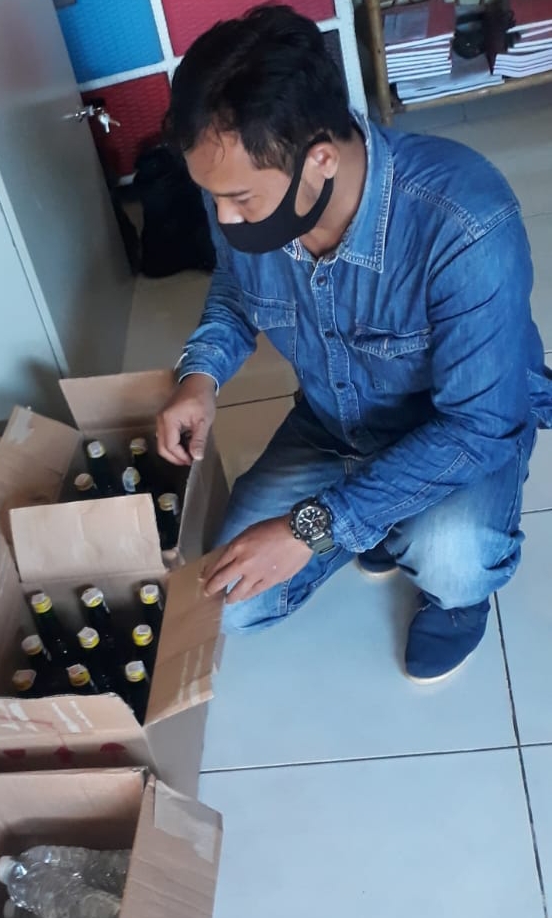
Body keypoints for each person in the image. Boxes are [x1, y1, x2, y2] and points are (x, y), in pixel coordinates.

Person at [155, 4, 552, 682]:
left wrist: (310, 526)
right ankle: (378, 519)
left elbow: (479, 427)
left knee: (453, 560)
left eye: (241, 200)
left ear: (320, 160)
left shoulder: (465, 224)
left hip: (452, 436)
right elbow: (237, 288)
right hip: (334, 422)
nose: (223, 218)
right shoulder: (239, 187)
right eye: (212, 197)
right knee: (234, 603)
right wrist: (201, 376)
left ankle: (448, 590)